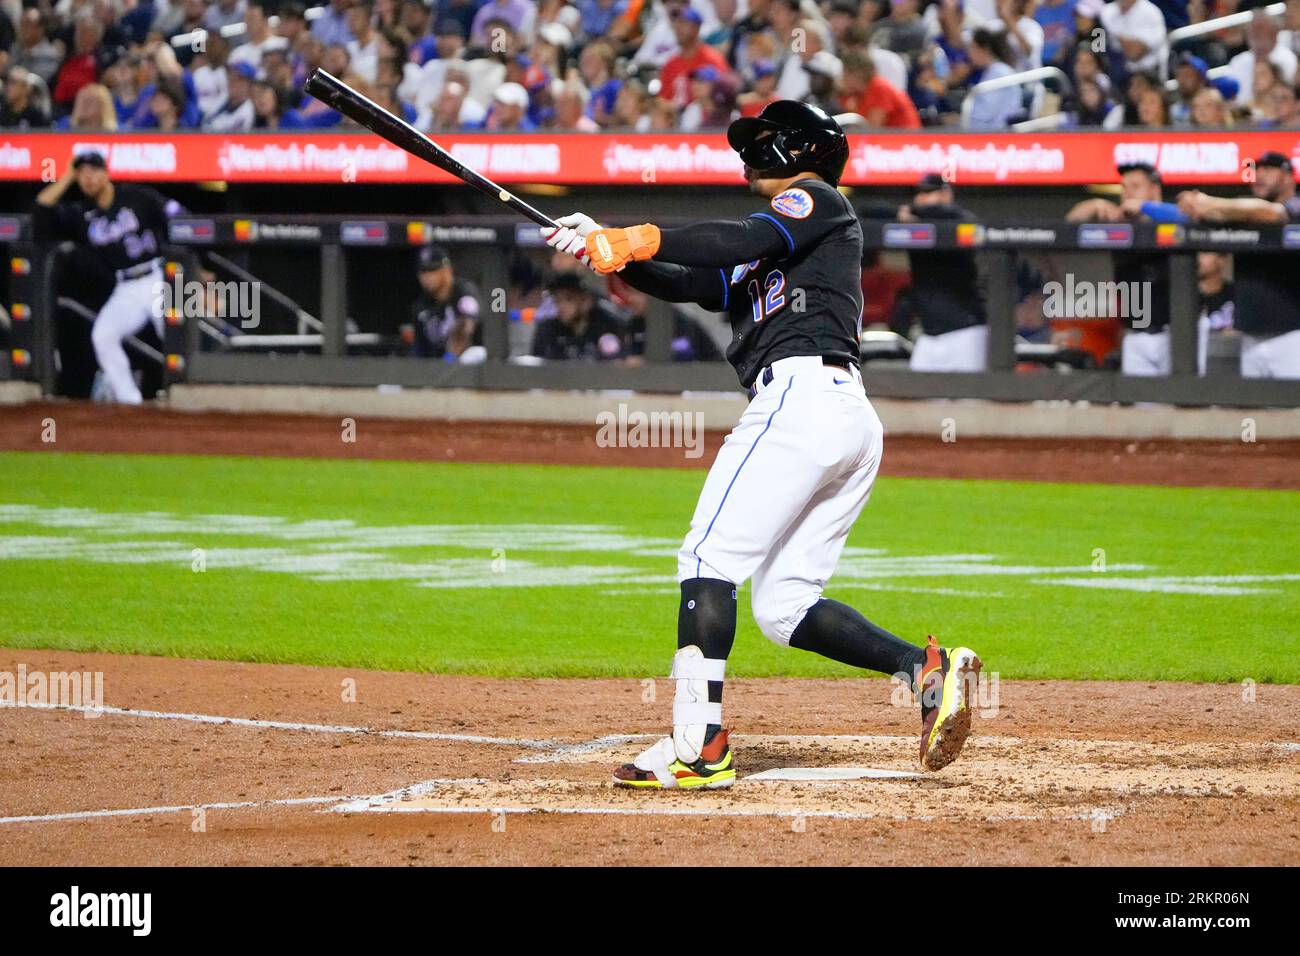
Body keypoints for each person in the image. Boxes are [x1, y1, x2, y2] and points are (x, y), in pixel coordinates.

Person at [542, 102, 983, 789]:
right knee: (784, 606)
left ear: (805, 148)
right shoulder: (778, 245)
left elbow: (729, 237)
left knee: (706, 557)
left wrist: (635, 236)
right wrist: (606, 248)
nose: (755, 152)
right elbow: (695, 278)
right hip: (837, 416)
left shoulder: (815, 199)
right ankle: (928, 671)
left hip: (801, 402)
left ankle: (699, 745)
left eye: (770, 141)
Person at [33, 152, 180, 405]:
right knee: (103, 336)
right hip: (126, 287)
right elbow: (42, 207)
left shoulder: (136, 196)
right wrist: (67, 176)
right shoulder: (81, 214)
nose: (88, 178)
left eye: (93, 171)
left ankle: (186, 395)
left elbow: (178, 215)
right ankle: (130, 402)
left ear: (107, 173)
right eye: (82, 173)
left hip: (157, 278)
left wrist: (196, 271)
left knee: (176, 335)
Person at [1178, 151, 1300, 378]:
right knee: (1250, 411)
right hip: (1250, 339)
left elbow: (1272, 213)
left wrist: (1210, 201)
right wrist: (1194, 203)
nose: (1258, 175)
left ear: (1287, 176)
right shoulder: (1241, 214)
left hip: (1292, 338)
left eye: (1268, 170)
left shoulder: (1295, 205)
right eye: (1255, 170)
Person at [1067, 162, 1188, 376]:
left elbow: (1187, 217)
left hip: (1178, 333)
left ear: (1155, 189)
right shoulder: (1119, 225)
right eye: (1124, 187)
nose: (1128, 193)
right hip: (1135, 334)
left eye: (1135, 186)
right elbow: (1069, 225)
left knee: (1181, 402)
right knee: (1140, 405)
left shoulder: (1170, 218)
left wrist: (1143, 207)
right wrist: (1092, 205)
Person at [897, 174, 990, 372]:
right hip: (929, 335)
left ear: (946, 194)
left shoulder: (960, 220)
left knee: (969, 400)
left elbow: (965, 222)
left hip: (966, 332)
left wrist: (916, 213)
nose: (922, 198)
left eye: (929, 192)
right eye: (919, 194)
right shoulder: (913, 224)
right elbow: (872, 211)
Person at [529, 272, 629, 361]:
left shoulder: (607, 326)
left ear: (586, 302)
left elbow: (616, 366)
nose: (561, 306)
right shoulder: (548, 329)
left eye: (569, 299)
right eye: (558, 301)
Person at [406, 245, 482, 359]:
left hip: (471, 366)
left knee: (475, 353)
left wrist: (449, 359)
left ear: (447, 270)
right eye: (422, 271)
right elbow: (420, 347)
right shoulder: (420, 306)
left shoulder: (464, 292)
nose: (425, 276)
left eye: (432, 270)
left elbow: (466, 329)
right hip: (438, 366)